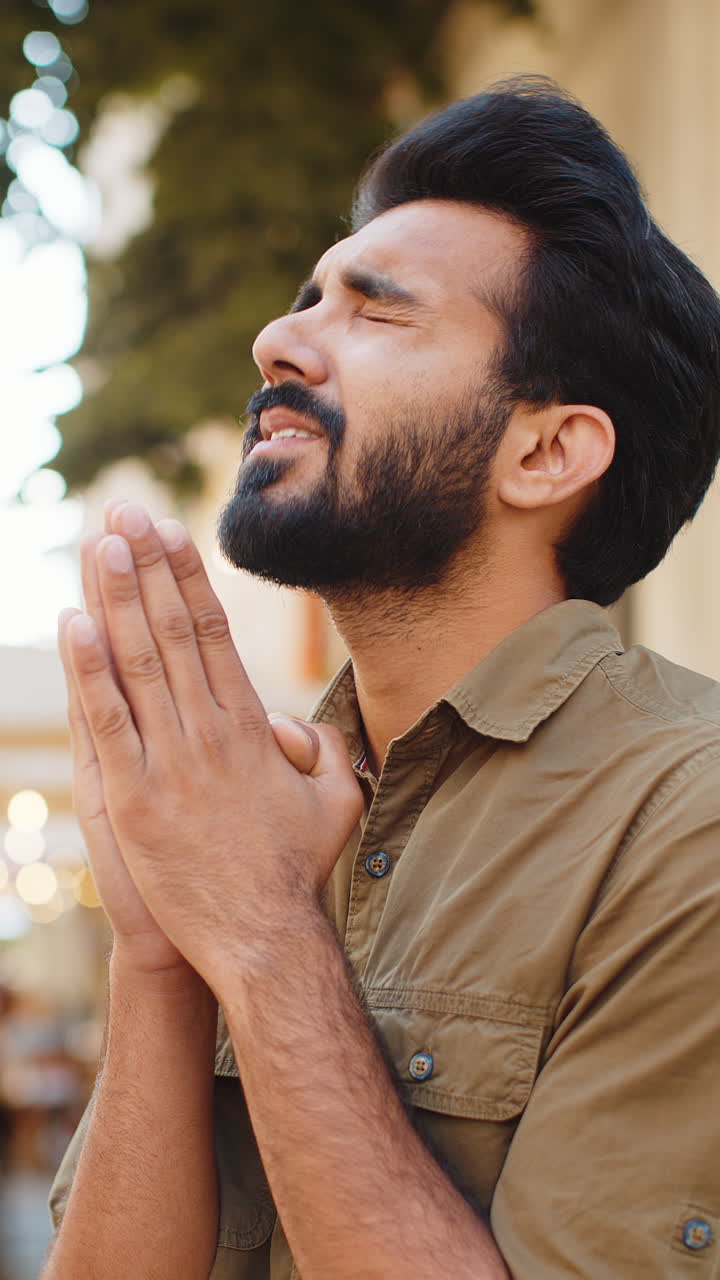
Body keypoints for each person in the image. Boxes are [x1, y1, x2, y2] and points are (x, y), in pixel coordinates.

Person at [44, 77, 720, 1279]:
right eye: (308, 296)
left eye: (377, 311)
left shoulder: (687, 819)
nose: (277, 338)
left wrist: (261, 932)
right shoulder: (241, 805)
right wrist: (159, 948)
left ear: (548, 450)